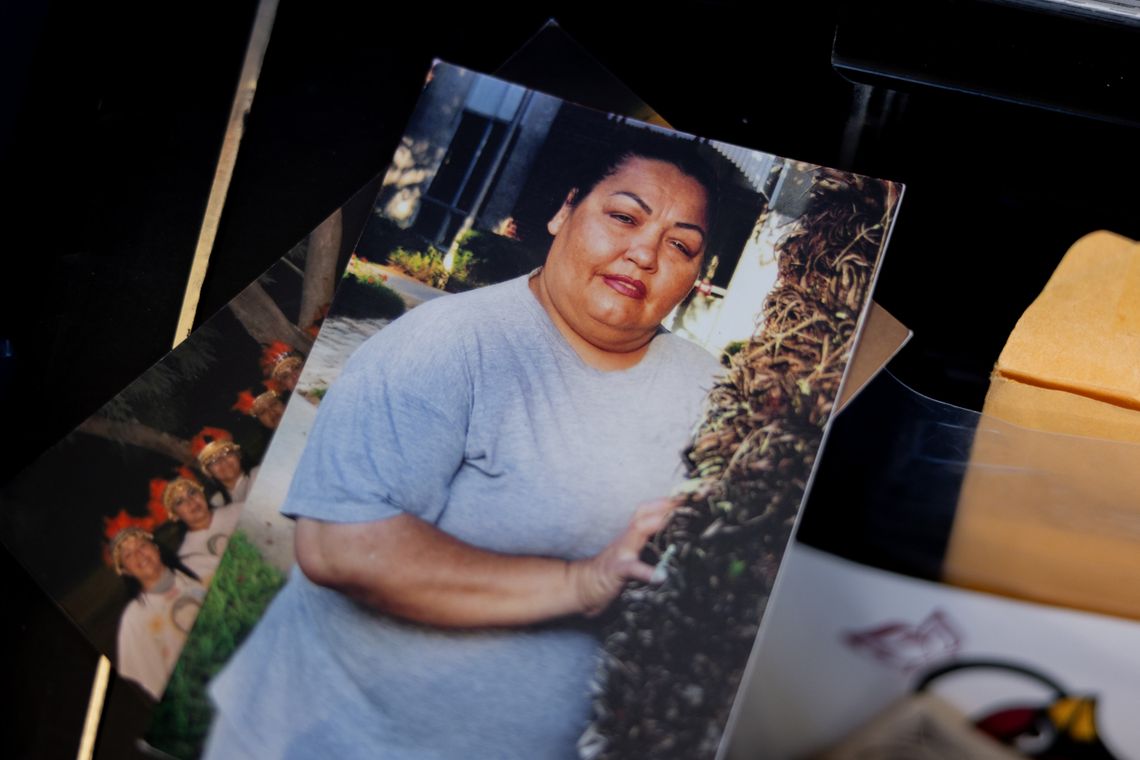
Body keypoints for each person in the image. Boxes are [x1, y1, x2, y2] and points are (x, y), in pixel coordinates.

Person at [205, 132, 726, 759]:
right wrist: (584, 582)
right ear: (565, 212)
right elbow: (341, 545)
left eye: (680, 245)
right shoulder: (451, 344)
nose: (645, 252)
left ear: (697, 276)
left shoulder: (716, 394)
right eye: (623, 216)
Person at [112, 526, 207, 700]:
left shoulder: (197, 569)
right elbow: (150, 680)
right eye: (128, 555)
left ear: (156, 548)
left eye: (142, 545)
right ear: (125, 571)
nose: (139, 555)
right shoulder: (134, 618)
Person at [163, 477, 241, 585]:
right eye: (179, 501)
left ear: (202, 493)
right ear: (174, 516)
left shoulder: (239, 510)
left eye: (192, 492)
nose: (191, 501)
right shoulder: (187, 558)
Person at [197, 439, 259, 506]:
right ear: (208, 472)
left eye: (226, 453)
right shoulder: (217, 504)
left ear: (238, 455)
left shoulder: (259, 476)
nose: (222, 461)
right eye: (213, 460)